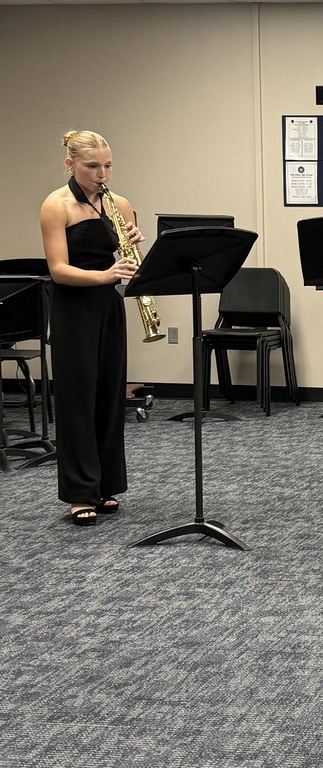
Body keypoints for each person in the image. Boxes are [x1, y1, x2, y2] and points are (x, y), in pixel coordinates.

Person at [40, 130, 146, 526]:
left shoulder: (120, 204)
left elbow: (134, 263)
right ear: (71, 165)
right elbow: (58, 270)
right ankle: (79, 492)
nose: (102, 173)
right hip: (73, 309)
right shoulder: (56, 205)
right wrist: (105, 276)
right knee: (76, 400)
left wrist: (136, 244)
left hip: (108, 308)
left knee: (108, 396)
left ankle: (105, 485)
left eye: (107, 165)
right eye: (92, 166)